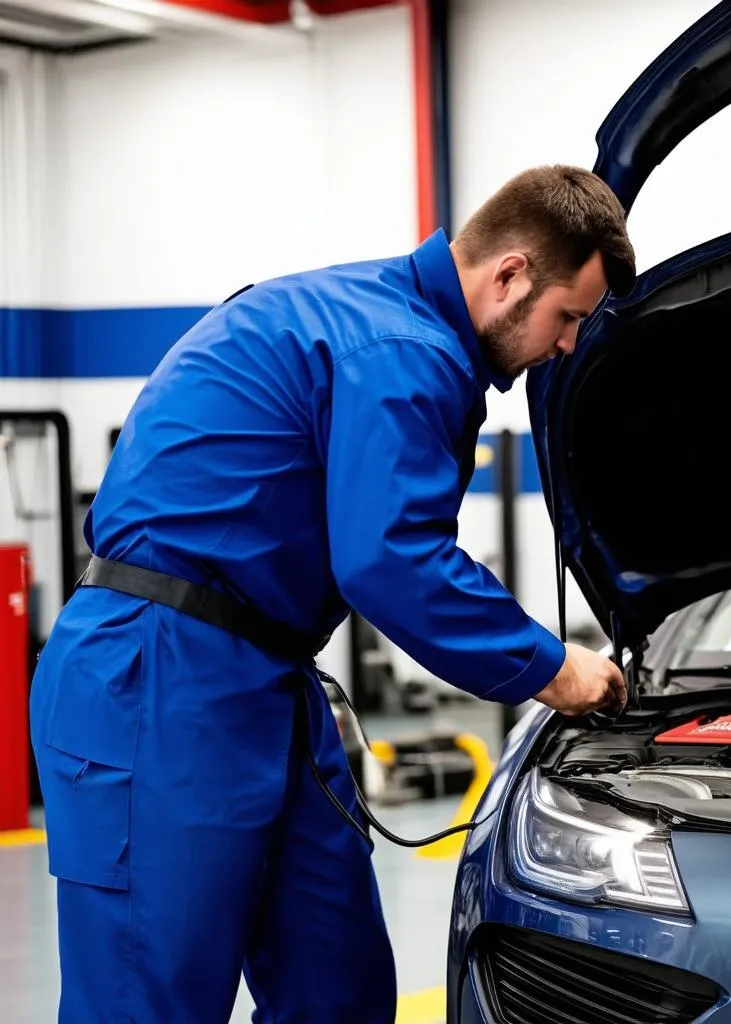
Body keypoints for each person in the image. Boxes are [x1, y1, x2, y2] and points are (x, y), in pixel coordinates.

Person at [29, 164, 635, 1023]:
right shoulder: (401, 349)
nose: (568, 344)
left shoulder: (387, 326)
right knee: (148, 999)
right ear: (509, 275)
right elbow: (393, 562)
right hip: (157, 675)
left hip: (267, 674)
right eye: (567, 316)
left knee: (336, 983)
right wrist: (552, 669)